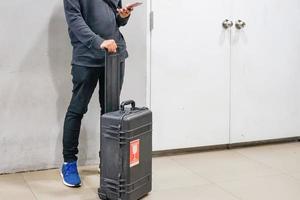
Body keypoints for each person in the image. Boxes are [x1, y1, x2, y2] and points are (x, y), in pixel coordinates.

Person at [61, 0, 133, 187]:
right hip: (86, 58)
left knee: (110, 113)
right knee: (77, 110)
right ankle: (69, 163)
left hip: (115, 54)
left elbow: (115, 19)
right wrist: (98, 42)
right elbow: (74, 20)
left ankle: (108, 162)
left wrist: (123, 16)